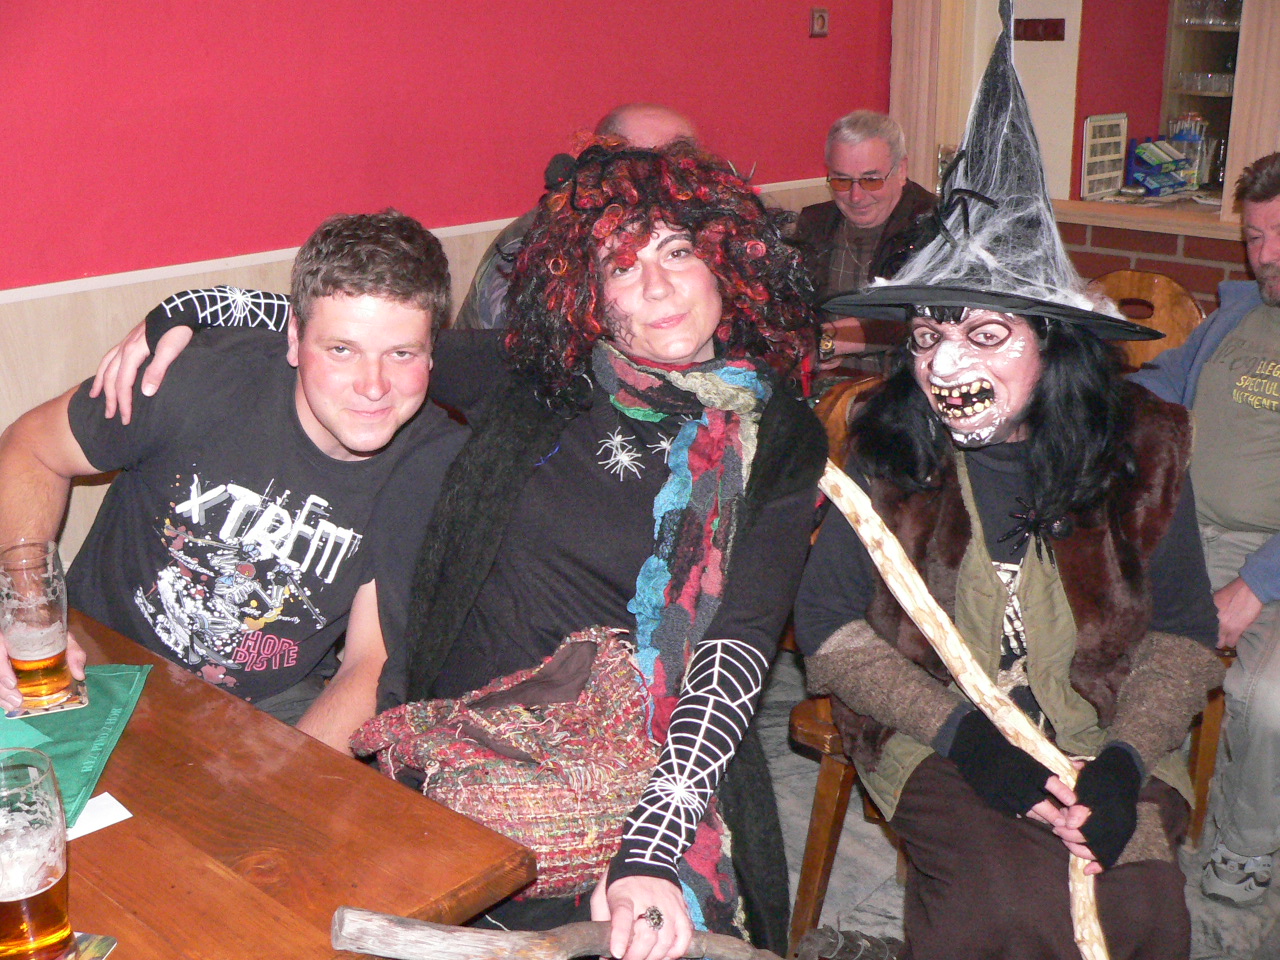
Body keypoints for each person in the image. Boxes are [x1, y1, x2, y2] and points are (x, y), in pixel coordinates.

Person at [90, 141, 825, 960]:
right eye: (622, 265)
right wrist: (186, 310)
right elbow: (364, 332)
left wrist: (652, 845)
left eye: (678, 252)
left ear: (726, 258)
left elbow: (734, 646)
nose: (657, 285)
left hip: (650, 764)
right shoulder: (546, 375)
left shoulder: (777, 433)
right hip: (459, 745)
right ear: (591, 289)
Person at [794, 8, 1224, 957]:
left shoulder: (1142, 447)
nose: (944, 366)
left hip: (1107, 725)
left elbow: (1187, 630)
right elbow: (826, 627)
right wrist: (965, 739)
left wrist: (1121, 765)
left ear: (1053, 344)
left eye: (985, 334)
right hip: (940, 733)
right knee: (999, 916)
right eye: (927, 335)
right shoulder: (891, 447)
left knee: (1144, 915)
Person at [0, 212, 467, 754]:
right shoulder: (196, 379)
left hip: (267, 705)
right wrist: (28, 615)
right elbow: (31, 449)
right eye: (341, 349)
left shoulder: (433, 463)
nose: (373, 386)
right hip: (98, 662)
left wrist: (290, 789)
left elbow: (369, 664)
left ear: (432, 351)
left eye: (402, 354)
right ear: (294, 338)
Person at [1132, 151, 1280, 906]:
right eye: (1255, 237)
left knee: (1268, 694)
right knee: (1095, 641)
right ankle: (1132, 815)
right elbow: (1165, 382)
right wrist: (1093, 394)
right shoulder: (1235, 316)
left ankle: (1243, 848)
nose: (1268, 255)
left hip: (1270, 558)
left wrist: (1254, 586)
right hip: (1183, 533)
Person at [452, 103, 699, 331]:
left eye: (686, 158)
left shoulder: (689, 226)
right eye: (653, 163)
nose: (675, 175)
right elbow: (531, 349)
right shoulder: (535, 248)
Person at [791, 110, 936, 369]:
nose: (855, 196)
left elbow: (931, 319)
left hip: (906, 384)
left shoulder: (936, 228)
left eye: (871, 180)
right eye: (841, 180)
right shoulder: (815, 224)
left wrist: (831, 340)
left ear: (901, 170)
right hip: (828, 384)